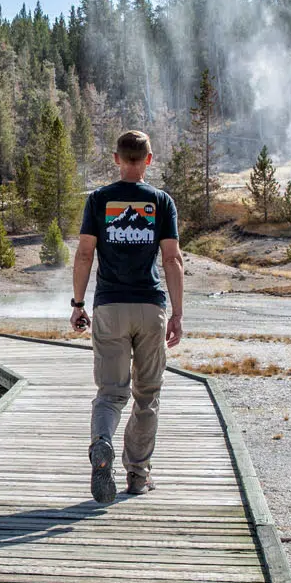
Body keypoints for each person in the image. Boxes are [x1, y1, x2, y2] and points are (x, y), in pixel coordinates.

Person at [70, 129, 185, 503]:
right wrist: (177, 314)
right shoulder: (161, 201)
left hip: (109, 307)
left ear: (117, 159)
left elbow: (85, 254)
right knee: (146, 397)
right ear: (148, 159)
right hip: (150, 306)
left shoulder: (99, 200)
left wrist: (77, 304)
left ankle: (101, 442)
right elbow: (172, 259)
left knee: (109, 393)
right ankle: (137, 475)